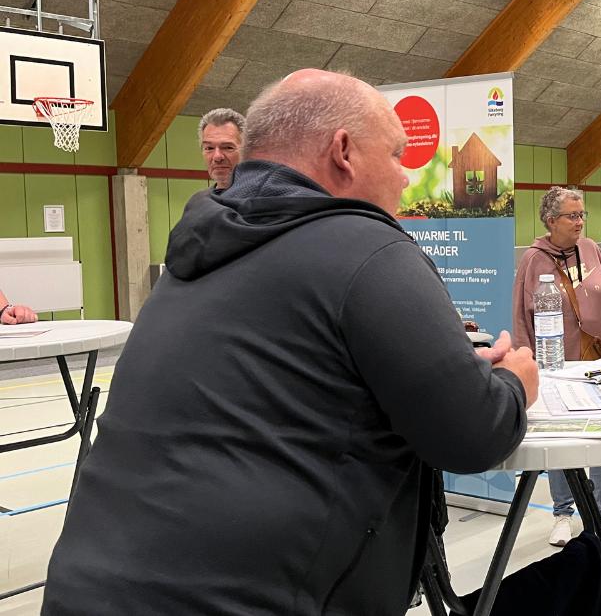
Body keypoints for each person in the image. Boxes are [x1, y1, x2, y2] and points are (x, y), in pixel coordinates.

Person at [42, 69, 539, 615]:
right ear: (343, 152)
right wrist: (515, 381)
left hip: (86, 589)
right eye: (398, 156)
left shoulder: (195, 250)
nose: (405, 180)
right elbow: (469, 434)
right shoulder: (370, 247)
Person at [512, 186, 601, 549]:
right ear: (551, 221)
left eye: (582, 214)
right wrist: (527, 362)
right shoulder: (533, 260)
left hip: (600, 362)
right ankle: (563, 514)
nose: (580, 221)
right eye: (572, 215)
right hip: (556, 365)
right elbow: (522, 318)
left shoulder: (593, 250)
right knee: (564, 440)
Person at [199, 107, 245, 191]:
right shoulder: (197, 202)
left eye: (228, 147)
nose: (217, 157)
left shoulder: (266, 200)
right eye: (209, 148)